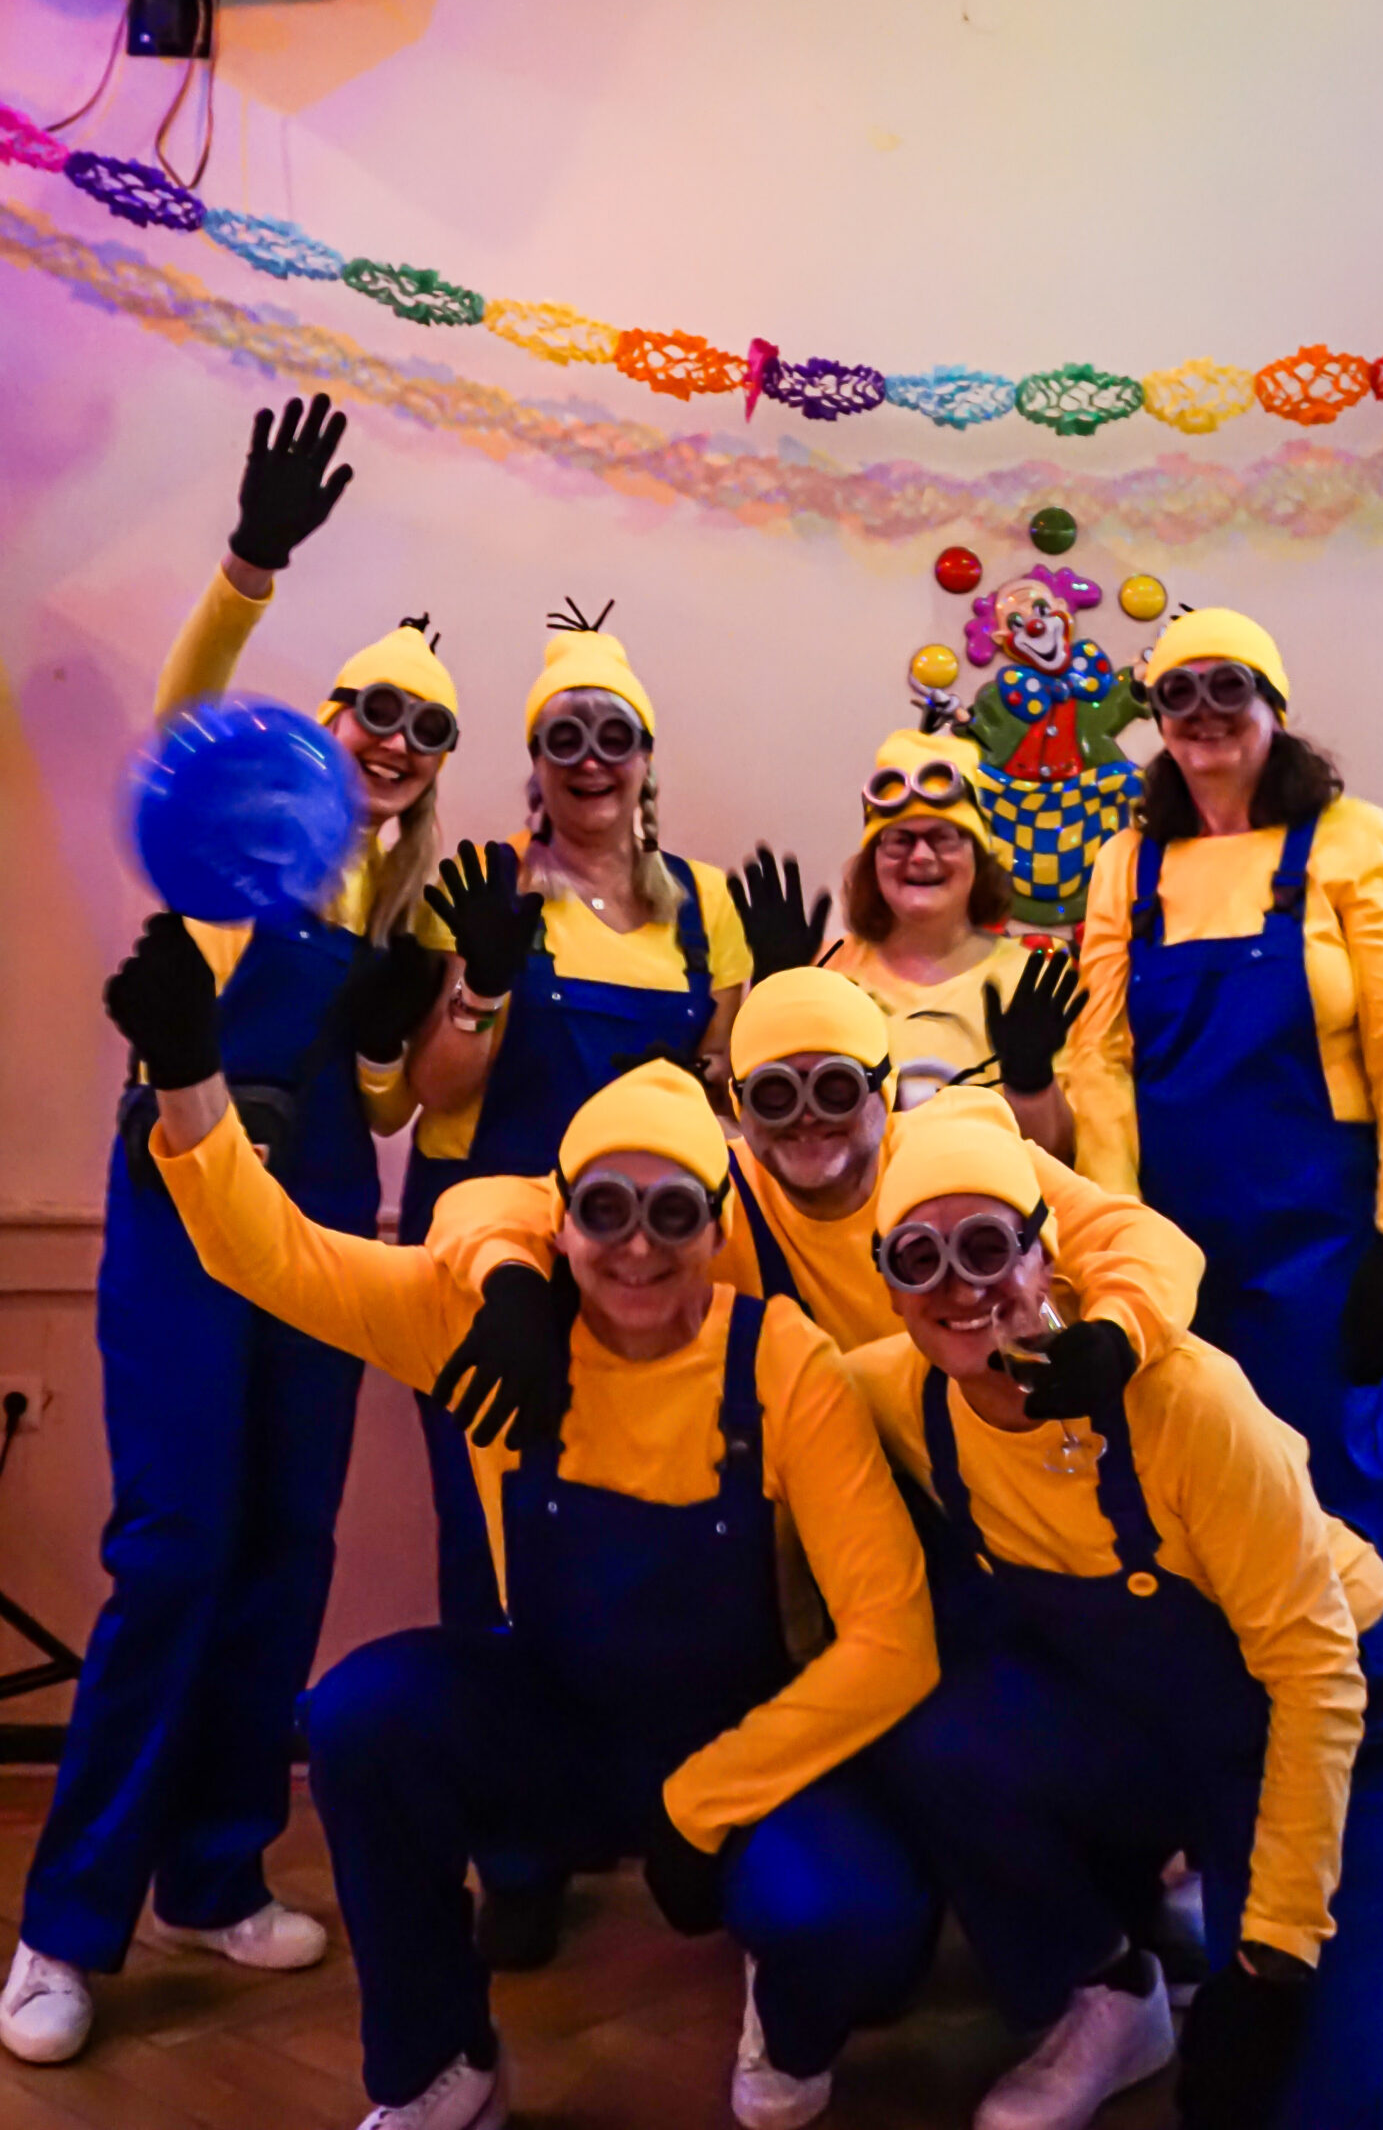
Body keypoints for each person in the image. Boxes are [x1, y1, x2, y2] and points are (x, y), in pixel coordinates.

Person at [87, 921, 941, 2130]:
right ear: (561, 1219)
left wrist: (706, 1796)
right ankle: (439, 2065)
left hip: (747, 1744)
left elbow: (893, 1639)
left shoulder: (782, 1360)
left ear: (719, 1226)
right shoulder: (479, 1327)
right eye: (605, 1209)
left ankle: (792, 2019)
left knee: (849, 1919)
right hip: (561, 1725)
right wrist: (189, 1082)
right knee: (363, 1717)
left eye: (673, 1214)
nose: (636, 1247)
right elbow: (268, 1256)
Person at [2, 398, 457, 2069]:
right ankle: (66, 1925)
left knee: (283, 1547)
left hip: (320, 1211)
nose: (395, 735)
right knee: (178, 1546)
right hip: (183, 1193)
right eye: (375, 705)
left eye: (426, 725)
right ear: (325, 717)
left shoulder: (399, 901)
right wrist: (252, 565)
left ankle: (212, 1873)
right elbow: (188, 700)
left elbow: (389, 1108)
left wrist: (410, 1019)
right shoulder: (229, 829)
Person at [850, 1087, 1383, 2130]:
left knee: (1316, 2108)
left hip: (1335, 1721)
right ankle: (1107, 1988)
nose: (959, 1287)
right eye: (919, 1259)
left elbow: (1316, 1675)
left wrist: (1272, 1961)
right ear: (889, 1284)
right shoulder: (893, 1395)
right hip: (1160, 1732)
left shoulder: (1185, 1400)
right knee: (937, 1733)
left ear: (1046, 1253)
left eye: (988, 1246)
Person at [395, 602, 750, 1775]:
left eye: (614, 735)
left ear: (646, 757)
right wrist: (482, 985)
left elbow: (724, 1088)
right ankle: (511, 1820)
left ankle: (640, 1789)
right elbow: (432, 1087)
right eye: (565, 737)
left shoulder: (707, 906)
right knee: (489, 1534)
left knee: (640, 1530)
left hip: (648, 1266)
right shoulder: (485, 888)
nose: (591, 759)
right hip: (490, 1260)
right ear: (536, 760)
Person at [1067, 608, 1383, 1581]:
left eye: (1228, 686)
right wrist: (1119, 1243)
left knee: (1333, 1513)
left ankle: (1370, 1688)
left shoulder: (1355, 842)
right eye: (1177, 692)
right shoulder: (1126, 864)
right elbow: (1098, 1059)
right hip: (1175, 1250)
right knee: (1183, 1509)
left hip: (1320, 1253)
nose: (1202, 711)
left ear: (1274, 704)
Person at [425, 968, 1203, 1390]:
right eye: (774, 1094)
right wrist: (512, 1283)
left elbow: (1141, 1239)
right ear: (738, 1106)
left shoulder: (960, 1161)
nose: (805, 1118)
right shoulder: (715, 1191)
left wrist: (1116, 1335)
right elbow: (485, 1204)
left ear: (883, 1091)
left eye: (832, 1087)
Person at [750, 726, 1079, 1146]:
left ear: (978, 859)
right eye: (900, 840)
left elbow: (1059, 1158)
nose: (921, 856)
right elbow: (769, 1129)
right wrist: (771, 993)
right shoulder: (822, 973)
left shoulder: (1037, 981)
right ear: (873, 862)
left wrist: (1031, 1084)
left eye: (943, 838)